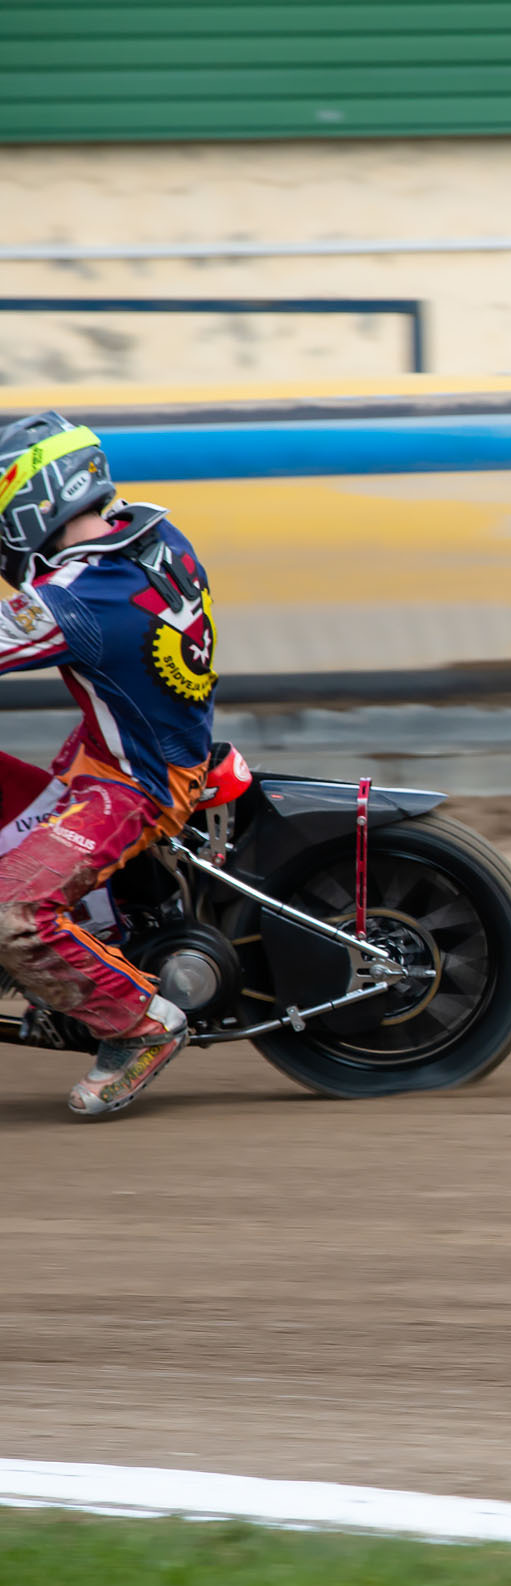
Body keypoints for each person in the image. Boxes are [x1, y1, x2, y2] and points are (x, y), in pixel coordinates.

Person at [0, 411, 218, 1118]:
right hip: (126, 745)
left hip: (133, 783)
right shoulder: (152, 534)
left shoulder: (74, 598)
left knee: (10, 911)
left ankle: (141, 1025)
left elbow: (28, 622)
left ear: (29, 504)